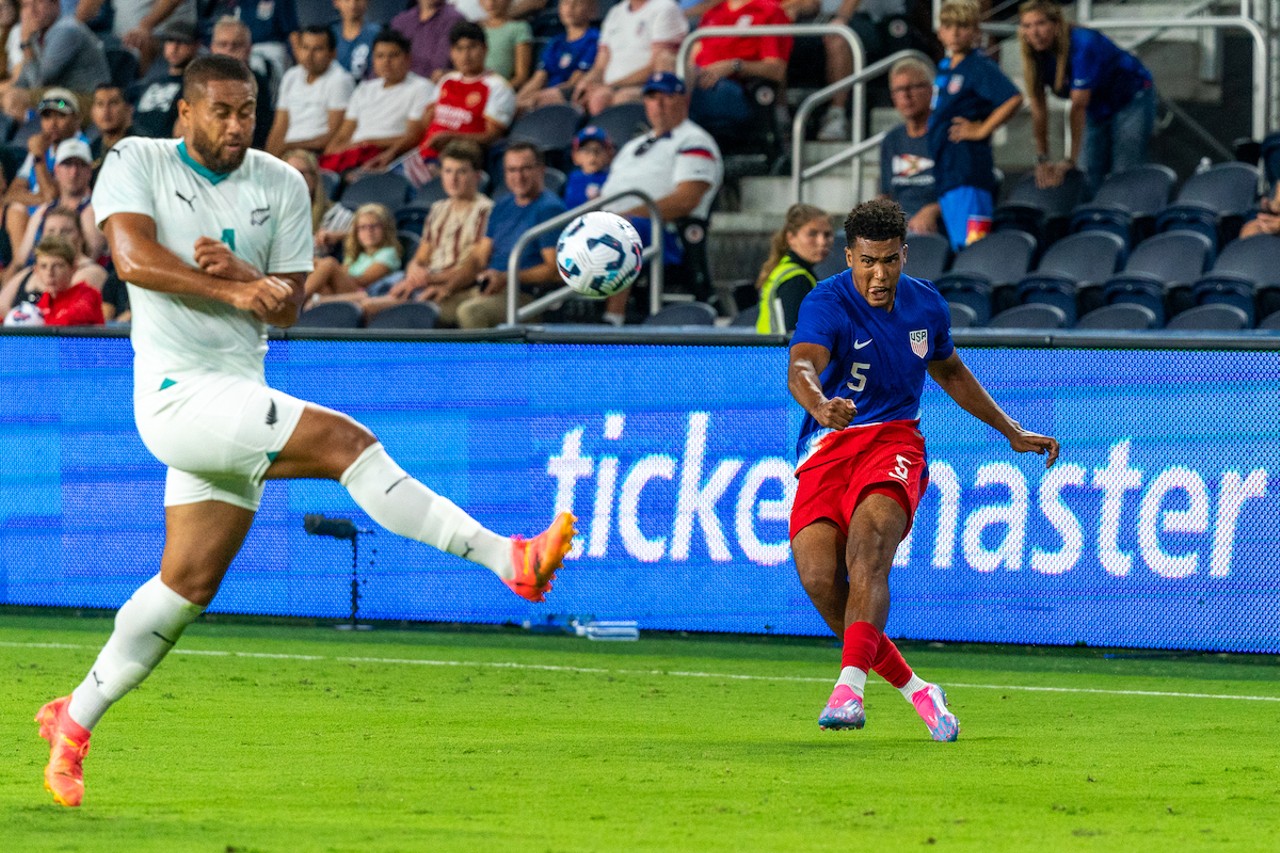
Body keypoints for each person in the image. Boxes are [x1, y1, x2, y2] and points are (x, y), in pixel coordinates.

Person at [34, 55, 576, 809]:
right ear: (184, 114)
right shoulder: (137, 157)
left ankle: (74, 718)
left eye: (247, 110)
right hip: (174, 396)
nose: (235, 125)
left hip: (236, 393)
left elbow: (286, 306)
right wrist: (231, 283)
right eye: (219, 111)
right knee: (347, 444)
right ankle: (507, 558)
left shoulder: (283, 183)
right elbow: (131, 257)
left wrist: (248, 275)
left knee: (186, 585)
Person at [787, 197, 1059, 739]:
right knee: (820, 579)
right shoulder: (826, 301)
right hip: (829, 444)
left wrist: (1012, 430)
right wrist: (819, 405)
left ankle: (849, 691)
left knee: (869, 549)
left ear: (905, 255)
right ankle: (918, 691)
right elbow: (801, 366)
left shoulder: (927, 307)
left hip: (895, 440)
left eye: (889, 260)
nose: (879, 274)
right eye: (867, 261)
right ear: (849, 257)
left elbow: (952, 372)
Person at [597, 71, 722, 325]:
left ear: (683, 100)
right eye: (653, 98)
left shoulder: (695, 140)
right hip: (613, 221)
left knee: (624, 231)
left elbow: (687, 199)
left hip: (665, 232)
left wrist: (627, 215)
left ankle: (611, 319)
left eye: (667, 97)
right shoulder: (635, 144)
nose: (659, 104)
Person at [1018, 0, 1156, 194]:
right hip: (1096, 104)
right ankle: (1092, 220)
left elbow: (1078, 106)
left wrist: (1070, 160)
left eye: (1041, 23)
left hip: (1131, 97)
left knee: (1124, 168)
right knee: (1088, 171)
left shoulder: (1083, 44)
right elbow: (1039, 108)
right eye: (1027, 26)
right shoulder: (1034, 55)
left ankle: (1125, 218)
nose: (1035, 32)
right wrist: (1042, 159)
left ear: (1056, 24)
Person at [360, 139, 493, 325]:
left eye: (461, 172)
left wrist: (426, 279)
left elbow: (474, 266)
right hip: (424, 282)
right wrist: (413, 270)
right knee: (358, 303)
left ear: (477, 176)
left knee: (368, 309)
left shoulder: (486, 210)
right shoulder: (438, 208)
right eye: (447, 171)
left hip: (455, 286)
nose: (453, 179)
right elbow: (421, 257)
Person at [928, 0, 1021, 252]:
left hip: (968, 171)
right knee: (955, 246)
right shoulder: (945, 67)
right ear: (939, 31)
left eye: (963, 25)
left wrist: (981, 129)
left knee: (972, 247)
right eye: (949, 25)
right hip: (947, 171)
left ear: (976, 31)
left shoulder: (979, 66)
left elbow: (1013, 98)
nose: (955, 32)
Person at [452, 140, 564, 328]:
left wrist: (505, 278)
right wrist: (446, 287)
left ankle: (490, 359)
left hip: (526, 296)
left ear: (541, 170)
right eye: (511, 170)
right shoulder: (502, 205)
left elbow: (553, 270)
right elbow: (480, 256)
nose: (518, 176)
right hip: (489, 288)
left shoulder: (549, 209)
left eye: (525, 169)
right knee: (429, 307)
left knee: (470, 312)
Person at [319, 29, 434, 175]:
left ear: (407, 58)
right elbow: (342, 135)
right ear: (373, 60)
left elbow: (414, 136)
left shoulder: (421, 87)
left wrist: (371, 143)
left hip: (388, 157)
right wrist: (344, 149)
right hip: (353, 155)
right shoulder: (364, 89)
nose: (386, 62)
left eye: (393, 55)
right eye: (380, 56)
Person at [409, 21, 516, 173]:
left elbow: (491, 137)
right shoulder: (446, 80)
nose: (465, 55)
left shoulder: (498, 87)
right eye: (459, 49)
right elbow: (427, 122)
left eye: (472, 47)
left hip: (461, 163)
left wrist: (451, 137)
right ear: (451, 53)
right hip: (422, 157)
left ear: (485, 49)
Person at [2, 87, 89, 260]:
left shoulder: (80, 148)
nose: (53, 123)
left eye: (61, 116)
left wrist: (38, 158)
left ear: (77, 119)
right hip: (36, 217)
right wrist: (41, 199)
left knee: (19, 209)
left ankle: (25, 267)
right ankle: (23, 265)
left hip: (65, 220)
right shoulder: (43, 145)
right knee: (15, 209)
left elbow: (52, 197)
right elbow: (11, 194)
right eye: (47, 116)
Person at [686, 0, 790, 141]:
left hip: (735, 90)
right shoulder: (713, 12)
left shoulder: (768, 11)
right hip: (699, 82)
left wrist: (734, 65)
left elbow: (776, 69)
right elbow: (692, 58)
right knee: (663, 91)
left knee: (666, 101)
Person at [571, 0, 687, 116]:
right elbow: (600, 66)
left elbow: (659, 66)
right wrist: (585, 82)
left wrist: (610, 86)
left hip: (646, 86)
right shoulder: (615, 12)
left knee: (602, 99)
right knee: (559, 96)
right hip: (611, 86)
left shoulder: (665, 7)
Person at [9, 138, 105, 268]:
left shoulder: (95, 210)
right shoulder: (44, 211)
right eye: (67, 165)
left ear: (89, 171)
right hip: (37, 273)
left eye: (80, 165)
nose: (74, 172)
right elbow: (20, 261)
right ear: (57, 170)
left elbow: (89, 260)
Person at [265, 25, 355, 158]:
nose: (309, 55)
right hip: (287, 152)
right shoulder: (291, 76)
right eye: (305, 48)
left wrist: (290, 146)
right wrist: (268, 159)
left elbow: (335, 134)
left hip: (315, 155)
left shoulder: (340, 80)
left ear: (332, 54)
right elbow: (278, 127)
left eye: (317, 49)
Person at [0, 204, 106, 314]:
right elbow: (1, 306)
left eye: (65, 231)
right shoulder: (28, 272)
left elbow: (68, 311)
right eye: (51, 231)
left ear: (81, 236)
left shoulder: (92, 272)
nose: (57, 236)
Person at [880, 56, 940, 236]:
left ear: (930, 91)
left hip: (935, 224)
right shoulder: (891, 140)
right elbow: (887, 194)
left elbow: (962, 194)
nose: (906, 95)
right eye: (899, 90)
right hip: (899, 223)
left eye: (912, 87)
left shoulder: (948, 136)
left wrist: (932, 210)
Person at [754, 202, 832, 334]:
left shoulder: (785, 268)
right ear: (791, 238)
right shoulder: (796, 280)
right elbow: (795, 334)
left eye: (827, 235)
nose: (822, 242)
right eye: (812, 234)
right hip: (780, 353)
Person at [6, 0, 109, 98]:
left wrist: (26, 43)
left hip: (90, 100)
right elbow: (23, 81)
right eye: (26, 5)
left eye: (39, 2)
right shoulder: (37, 33)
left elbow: (38, 83)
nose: (32, 10)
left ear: (56, 5)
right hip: (61, 96)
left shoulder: (66, 30)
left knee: (15, 100)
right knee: (7, 96)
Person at [303, 202, 402, 303]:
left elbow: (362, 281)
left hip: (363, 296)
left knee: (329, 263)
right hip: (344, 292)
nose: (368, 231)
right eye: (362, 227)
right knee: (322, 283)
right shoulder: (357, 254)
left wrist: (334, 271)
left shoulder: (388, 253)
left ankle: (294, 299)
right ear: (356, 232)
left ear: (385, 228)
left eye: (374, 226)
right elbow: (342, 273)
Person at [513, 0, 597, 113]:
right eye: (566, 3)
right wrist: (515, 101)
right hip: (545, 96)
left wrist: (537, 97)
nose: (570, 8)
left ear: (592, 10)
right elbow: (538, 78)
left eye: (577, 3)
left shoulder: (594, 39)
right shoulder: (555, 42)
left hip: (569, 98)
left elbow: (575, 81)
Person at [207, 16, 275, 150]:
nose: (229, 50)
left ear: (249, 49)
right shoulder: (200, 81)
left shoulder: (258, 82)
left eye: (236, 45)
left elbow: (259, 132)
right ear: (212, 48)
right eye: (223, 44)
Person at [128, 20, 199, 139]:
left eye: (182, 42)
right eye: (170, 40)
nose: (174, 47)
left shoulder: (195, 86)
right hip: (135, 145)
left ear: (195, 46)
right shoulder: (149, 82)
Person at [282, 147, 354, 257]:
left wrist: (340, 235)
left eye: (301, 173)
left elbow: (367, 231)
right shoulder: (273, 214)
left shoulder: (335, 215)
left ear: (315, 178)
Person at [21, 233, 104, 324]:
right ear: (36, 271)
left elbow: (73, 318)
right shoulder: (43, 302)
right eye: (43, 266)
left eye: (58, 266)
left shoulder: (87, 294)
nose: (50, 273)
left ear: (73, 268)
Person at [392, 0, 466, 82]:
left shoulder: (454, 19)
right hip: (401, 82)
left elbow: (440, 65)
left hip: (435, 82)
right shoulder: (401, 21)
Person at [480, 0, 532, 89]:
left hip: (500, 91)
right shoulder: (476, 28)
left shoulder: (519, 28)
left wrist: (498, 92)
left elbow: (521, 76)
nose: (491, 3)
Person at [89, 84, 135, 178]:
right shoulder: (91, 151)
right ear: (92, 112)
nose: (106, 111)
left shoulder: (140, 146)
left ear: (128, 110)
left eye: (113, 103)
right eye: (100, 104)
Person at [562, 124, 611, 208]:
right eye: (586, 150)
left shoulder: (611, 178)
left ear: (608, 154)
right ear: (575, 156)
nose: (593, 156)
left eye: (598, 150)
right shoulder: (571, 178)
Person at [332, 0, 379, 80]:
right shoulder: (329, 34)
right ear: (336, 2)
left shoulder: (377, 34)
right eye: (347, 0)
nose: (353, 4)